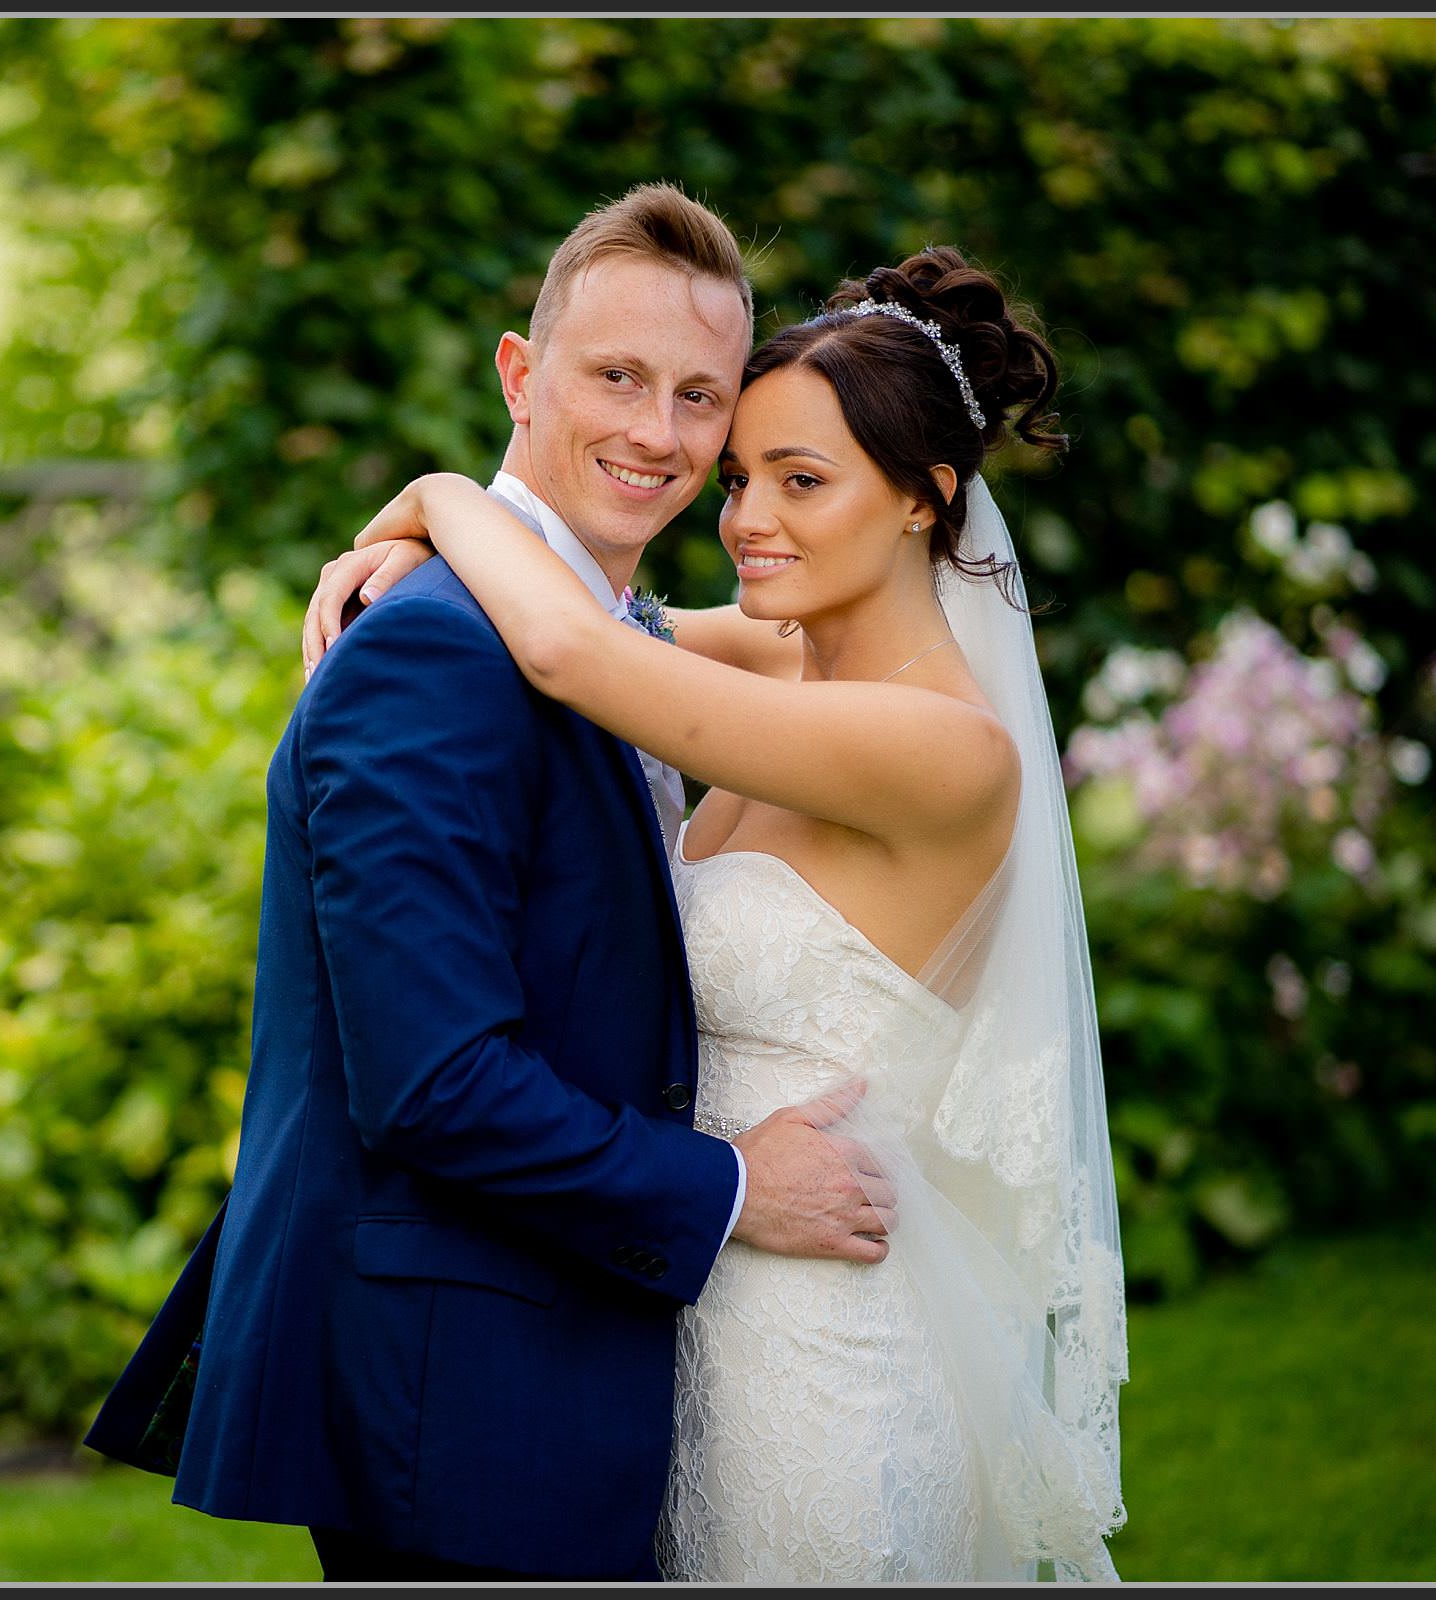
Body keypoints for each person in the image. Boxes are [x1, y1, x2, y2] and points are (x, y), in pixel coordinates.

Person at [83, 183, 904, 1583]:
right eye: (619, 377)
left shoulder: (599, 628)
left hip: (542, 1354)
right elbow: (433, 1079)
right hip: (456, 1393)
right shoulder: (433, 651)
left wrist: (438, 503)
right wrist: (724, 1188)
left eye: (700, 398)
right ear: (523, 376)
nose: (657, 433)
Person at [312, 245, 1129, 1581]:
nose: (748, 518)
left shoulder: (946, 750)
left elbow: (574, 649)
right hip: (684, 1293)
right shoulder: (778, 650)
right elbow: (584, 613)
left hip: (825, 1343)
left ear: (926, 502)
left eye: (803, 483)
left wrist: (440, 496)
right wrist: (418, 562)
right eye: (743, 476)